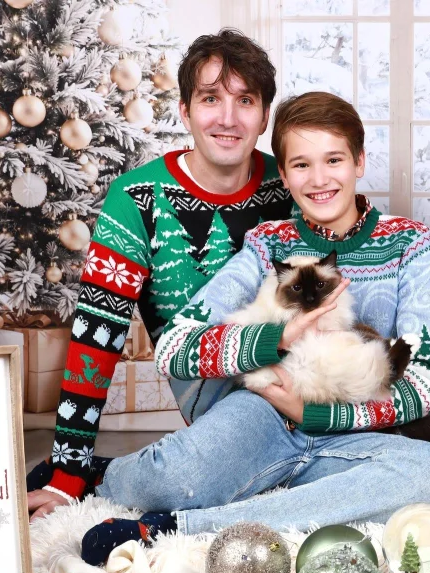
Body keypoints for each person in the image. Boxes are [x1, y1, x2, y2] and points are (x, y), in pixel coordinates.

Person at [77, 91, 430, 565]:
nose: (318, 179)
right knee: (167, 482)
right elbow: (174, 348)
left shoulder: (411, 243)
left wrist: (317, 415)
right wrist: (274, 340)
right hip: (264, 419)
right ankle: (103, 475)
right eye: (301, 165)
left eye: (334, 159)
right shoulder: (266, 244)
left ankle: (183, 528)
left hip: (365, 434)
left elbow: (427, 380)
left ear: (360, 162)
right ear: (284, 174)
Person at [26, 30, 295, 518]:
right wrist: (68, 472)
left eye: (246, 101)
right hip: (220, 402)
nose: (228, 118)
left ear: (264, 116)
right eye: (211, 99)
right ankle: (118, 475)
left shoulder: (293, 185)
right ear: (185, 110)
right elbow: (96, 340)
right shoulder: (136, 200)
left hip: (307, 387)